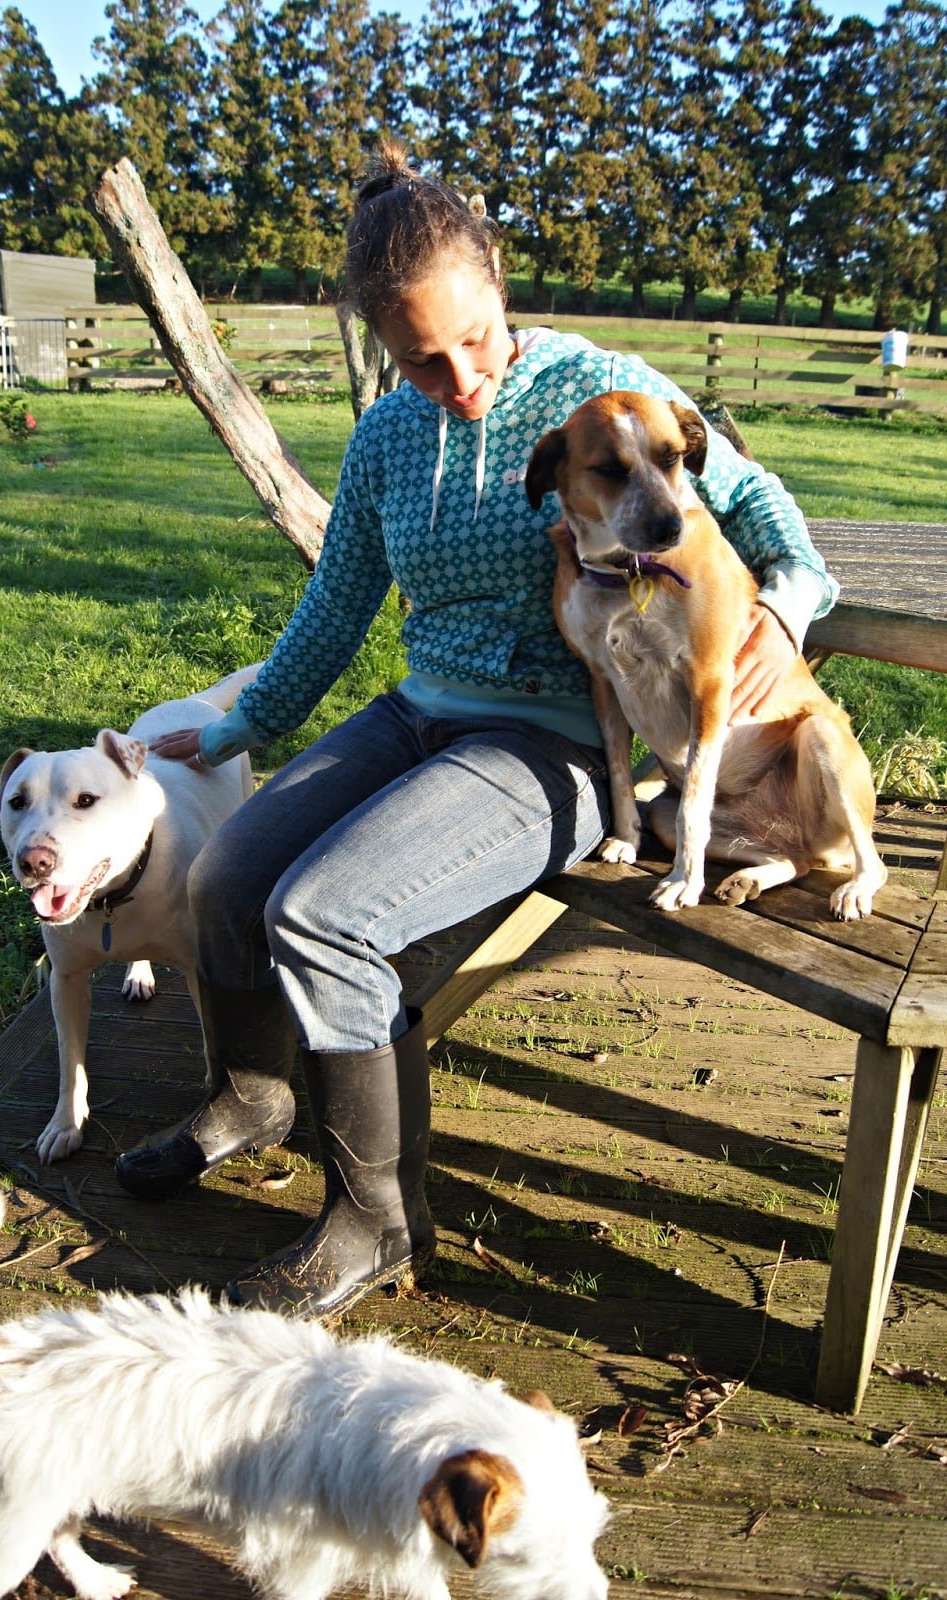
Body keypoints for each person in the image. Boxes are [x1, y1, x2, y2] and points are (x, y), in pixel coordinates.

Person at [115, 143, 838, 1319]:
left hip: (559, 742)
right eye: (421, 359)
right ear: (380, 348)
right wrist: (250, 720)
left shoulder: (603, 388)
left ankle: (379, 1220)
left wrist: (785, 608)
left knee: (328, 916)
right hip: (422, 709)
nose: (458, 377)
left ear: (500, 286)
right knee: (231, 874)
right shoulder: (386, 438)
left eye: (476, 339)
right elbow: (337, 603)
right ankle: (251, 1098)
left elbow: (754, 502)